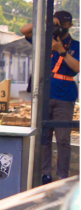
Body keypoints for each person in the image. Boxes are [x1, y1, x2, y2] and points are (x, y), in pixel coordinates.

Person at [21, 10, 79, 184]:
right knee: (44, 137)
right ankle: (45, 174)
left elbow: (77, 68)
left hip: (64, 95)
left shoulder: (76, 45)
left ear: (70, 25)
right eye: (57, 24)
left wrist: (62, 51)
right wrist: (47, 21)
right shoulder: (45, 41)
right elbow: (25, 30)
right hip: (45, 93)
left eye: (63, 24)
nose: (59, 27)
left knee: (63, 138)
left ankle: (63, 176)